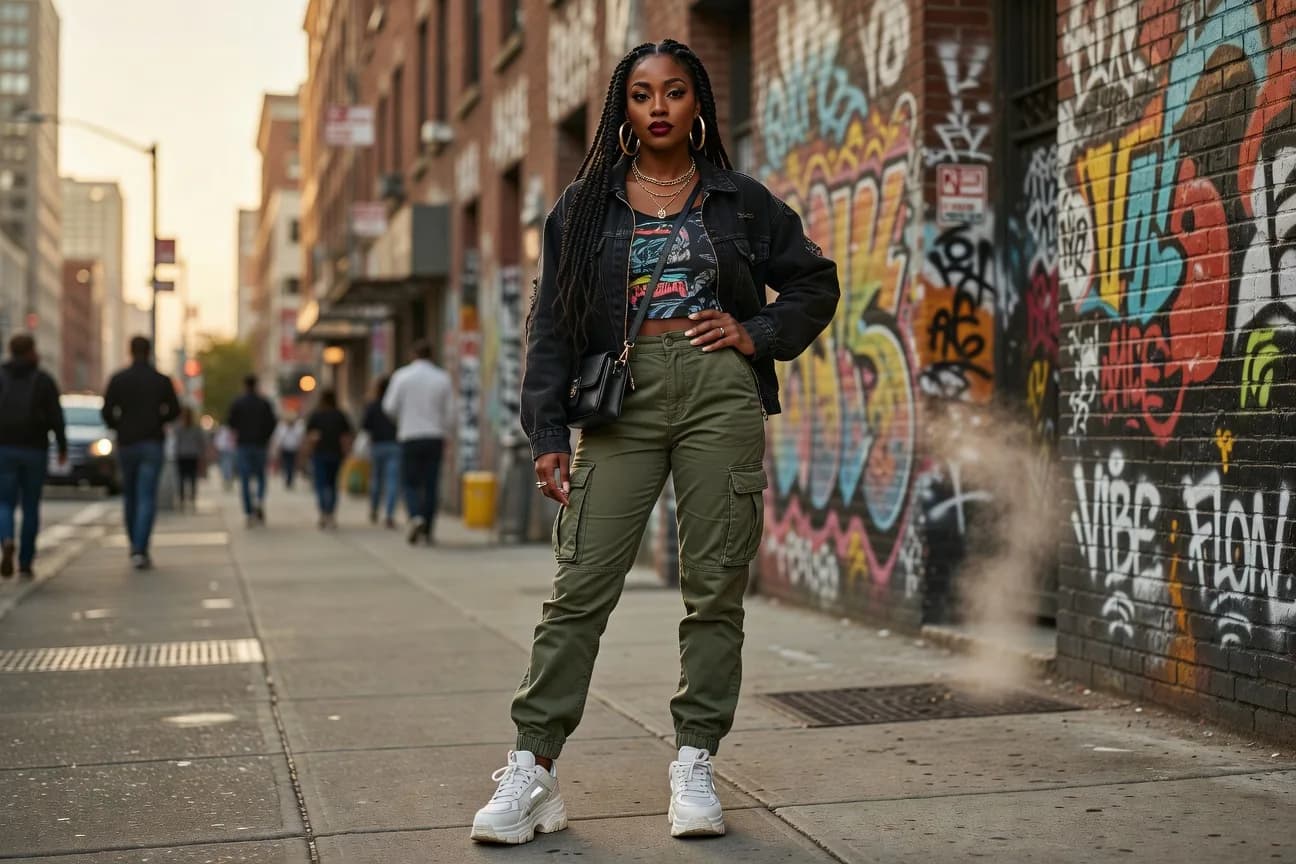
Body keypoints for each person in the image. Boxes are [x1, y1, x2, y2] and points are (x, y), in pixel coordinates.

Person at [469, 40, 838, 845]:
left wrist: (756, 330)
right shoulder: (585, 207)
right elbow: (553, 325)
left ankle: (696, 761)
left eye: (675, 92)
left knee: (713, 588)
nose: (659, 106)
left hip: (717, 390)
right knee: (580, 587)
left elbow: (817, 281)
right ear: (624, 108)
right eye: (642, 94)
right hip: (620, 402)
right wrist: (547, 429)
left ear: (697, 102)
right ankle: (532, 768)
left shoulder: (739, 201)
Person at [102, 336, 182, 570]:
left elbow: (107, 412)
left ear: (130, 351)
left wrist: (120, 426)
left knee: (131, 494)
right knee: (146, 495)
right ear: (149, 352)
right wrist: (158, 420)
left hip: (127, 443)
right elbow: (175, 410)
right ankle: (140, 547)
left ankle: (134, 544)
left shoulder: (119, 380)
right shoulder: (161, 380)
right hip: (151, 442)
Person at [0, 334, 66, 579]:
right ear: (31, 351)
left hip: (4, 448)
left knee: (4, 502)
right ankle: (26, 562)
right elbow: (56, 417)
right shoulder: (43, 380)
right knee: (30, 506)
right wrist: (62, 446)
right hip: (34, 449)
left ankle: (6, 539)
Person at [383, 340, 453, 545]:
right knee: (430, 484)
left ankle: (415, 516)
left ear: (413, 354)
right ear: (431, 355)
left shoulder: (401, 377)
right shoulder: (442, 378)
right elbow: (450, 413)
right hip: (434, 437)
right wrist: (445, 431)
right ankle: (428, 529)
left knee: (411, 482)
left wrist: (403, 420)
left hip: (409, 436)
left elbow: (389, 407)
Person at [227, 374, 276, 527]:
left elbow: (231, 422)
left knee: (245, 479)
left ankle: (249, 512)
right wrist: (265, 437)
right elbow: (272, 423)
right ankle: (259, 500)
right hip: (260, 444)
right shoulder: (264, 403)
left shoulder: (238, 403)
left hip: (244, 445)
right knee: (261, 476)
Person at [304, 390, 352, 530]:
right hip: (336, 454)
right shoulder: (340, 415)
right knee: (332, 484)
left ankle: (323, 512)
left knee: (320, 484)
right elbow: (346, 435)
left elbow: (310, 435)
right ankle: (330, 513)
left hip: (320, 454)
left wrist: (308, 451)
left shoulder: (316, 415)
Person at [362, 376, 400, 528]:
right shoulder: (396, 406)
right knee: (392, 481)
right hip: (395, 445)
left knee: (376, 479)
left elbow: (365, 426)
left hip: (377, 445)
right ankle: (389, 514)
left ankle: (374, 508)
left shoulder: (373, 405)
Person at [173, 406, 205, 511]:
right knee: (192, 478)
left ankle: (182, 499)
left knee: (181, 479)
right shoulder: (196, 428)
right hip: (192, 455)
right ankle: (192, 498)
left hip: (182, 455)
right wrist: (201, 456)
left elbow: (177, 443)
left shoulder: (179, 428)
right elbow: (201, 443)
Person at [271, 413, 305, 489]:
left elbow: (300, 437)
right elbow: (277, 438)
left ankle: (290, 479)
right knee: (287, 465)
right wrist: (276, 448)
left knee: (291, 465)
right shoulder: (282, 426)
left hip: (294, 448)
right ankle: (288, 479)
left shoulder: (298, 426)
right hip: (285, 448)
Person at [213, 424, 236, 491]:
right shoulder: (225, 429)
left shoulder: (222, 429)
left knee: (226, 465)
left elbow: (217, 440)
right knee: (227, 465)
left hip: (226, 449)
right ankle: (227, 479)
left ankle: (227, 479)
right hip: (225, 449)